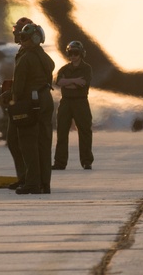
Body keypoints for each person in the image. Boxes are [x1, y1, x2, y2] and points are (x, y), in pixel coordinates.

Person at [12, 23, 55, 194]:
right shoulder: (46, 58)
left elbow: (18, 88)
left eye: (24, 38)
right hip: (45, 100)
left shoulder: (26, 58)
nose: (21, 41)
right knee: (44, 144)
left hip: (30, 103)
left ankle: (32, 184)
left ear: (35, 39)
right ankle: (45, 183)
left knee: (28, 143)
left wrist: (9, 100)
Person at [0, 17, 32, 190]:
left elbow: (24, 82)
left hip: (26, 103)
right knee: (15, 142)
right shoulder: (21, 52)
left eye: (18, 30)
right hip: (18, 101)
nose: (15, 33)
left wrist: (6, 95)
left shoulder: (30, 53)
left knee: (24, 144)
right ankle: (23, 177)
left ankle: (30, 179)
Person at [53, 40, 94, 170]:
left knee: (85, 131)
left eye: (75, 53)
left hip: (81, 101)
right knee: (62, 132)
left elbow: (83, 83)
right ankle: (60, 162)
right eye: (70, 53)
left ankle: (86, 161)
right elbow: (59, 82)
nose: (73, 56)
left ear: (81, 54)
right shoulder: (64, 69)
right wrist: (74, 81)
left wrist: (68, 83)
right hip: (66, 102)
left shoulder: (87, 68)